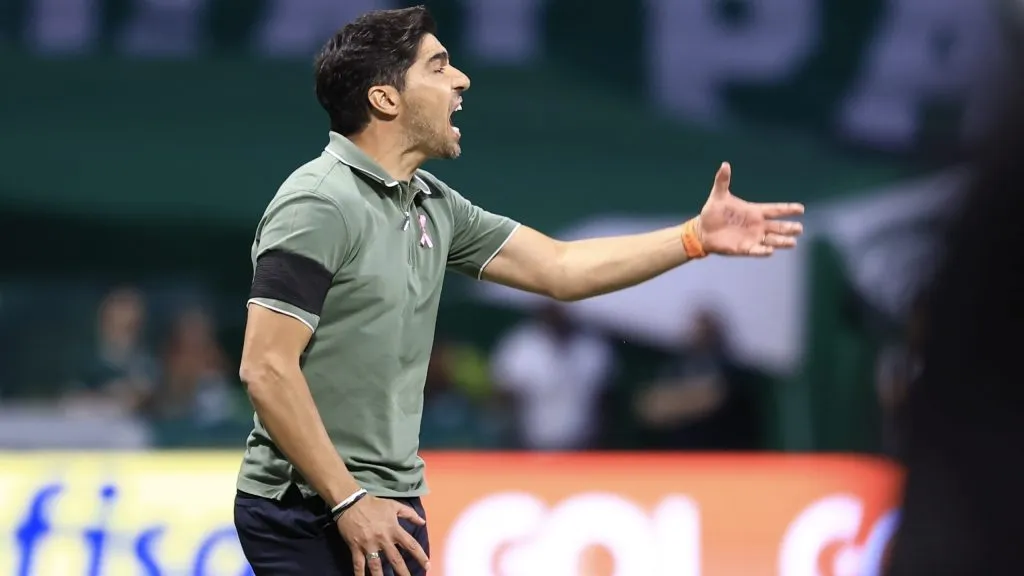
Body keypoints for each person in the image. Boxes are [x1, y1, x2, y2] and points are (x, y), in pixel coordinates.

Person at [231, 6, 805, 576]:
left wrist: (693, 238)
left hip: (388, 499)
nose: (461, 79)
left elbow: (561, 267)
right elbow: (267, 368)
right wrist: (348, 500)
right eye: (438, 66)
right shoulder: (318, 203)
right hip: (307, 507)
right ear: (386, 99)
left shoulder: (431, 202)